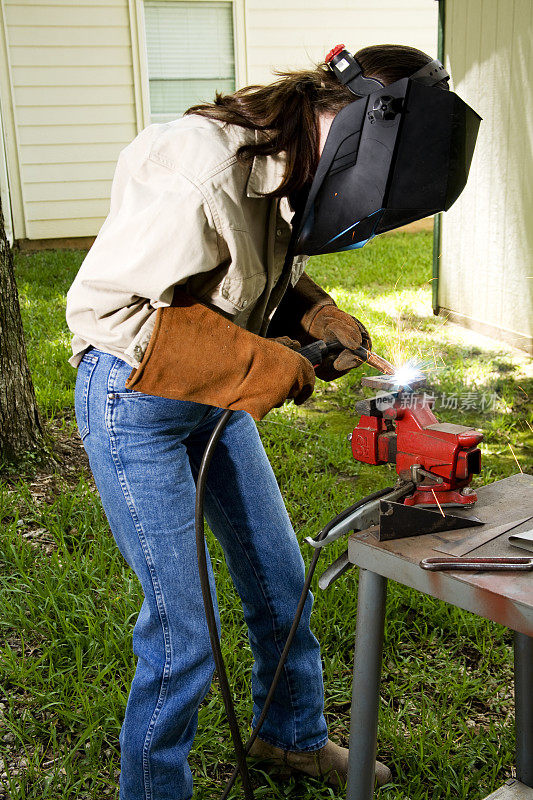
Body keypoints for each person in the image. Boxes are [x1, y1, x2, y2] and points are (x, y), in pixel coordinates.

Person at [66, 44, 448, 800]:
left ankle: (290, 736)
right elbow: (110, 311)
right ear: (352, 129)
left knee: (279, 583)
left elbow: (249, 262)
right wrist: (262, 363)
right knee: (180, 637)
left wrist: (315, 310)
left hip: (211, 398)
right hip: (133, 399)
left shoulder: (288, 161)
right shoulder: (195, 165)